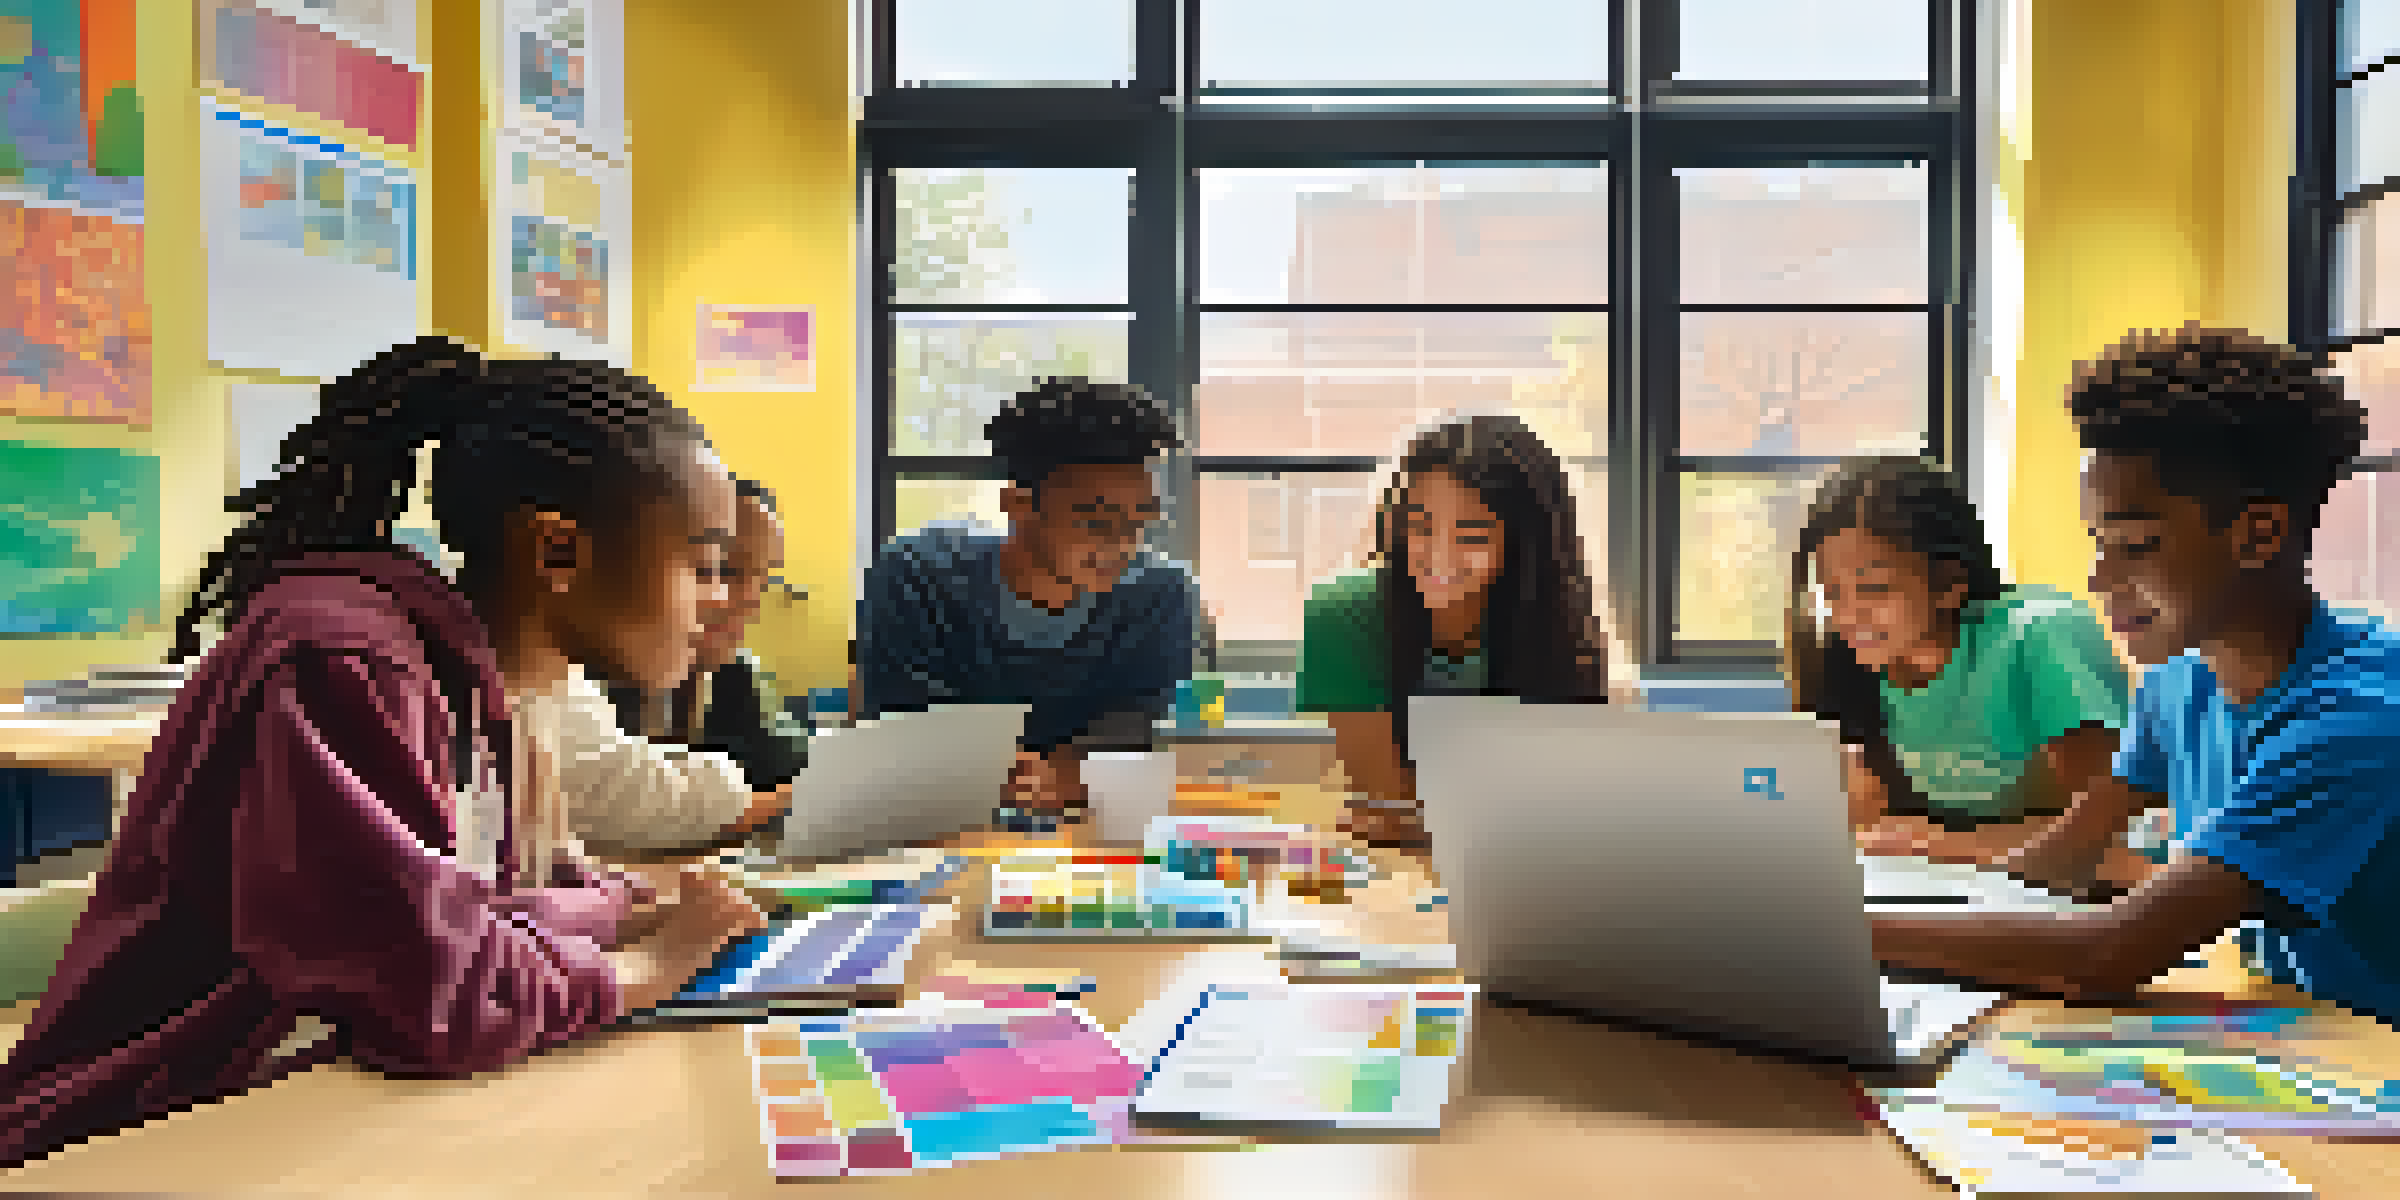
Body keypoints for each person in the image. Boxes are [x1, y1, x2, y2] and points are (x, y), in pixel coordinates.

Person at [0, 339, 768, 1168]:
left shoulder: (474, 677)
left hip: (296, 1113)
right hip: (133, 1140)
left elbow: (480, 912)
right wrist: (655, 962)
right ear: (555, 552)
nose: (721, 602)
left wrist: (627, 908)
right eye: (706, 565)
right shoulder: (343, 662)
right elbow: (435, 994)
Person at [1873, 324, 2400, 1021]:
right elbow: (2060, 859)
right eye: (2099, 543)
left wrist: (1837, 934)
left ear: (2260, 535)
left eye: (2135, 546)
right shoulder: (2182, 679)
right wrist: (1871, 899)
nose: (2100, 577)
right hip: (2300, 1031)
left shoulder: (2354, 719)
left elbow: (2109, 955)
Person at [852, 377, 1198, 820]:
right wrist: (1018, 774)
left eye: (1141, 521)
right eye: (1095, 522)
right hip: (935, 830)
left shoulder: (1159, 595)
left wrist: (1066, 775)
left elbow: (1143, 728)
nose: (1122, 544)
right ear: (1016, 505)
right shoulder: (919, 575)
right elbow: (898, 732)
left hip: (1087, 836)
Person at [1787, 457, 2135, 874]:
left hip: (2075, 905)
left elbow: (2113, 842)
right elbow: (1874, 830)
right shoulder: (1849, 666)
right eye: (1832, 593)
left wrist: (1939, 842)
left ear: (1950, 585)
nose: (1847, 615)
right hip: (1953, 891)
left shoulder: (2042, 635)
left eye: (1874, 589)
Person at [1295, 415, 1615, 848]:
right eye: (1421, 527)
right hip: (1399, 879)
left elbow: (1569, 809)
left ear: (1523, 544)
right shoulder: (1343, 615)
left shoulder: (1557, 627)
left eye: (1472, 535)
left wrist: (1428, 815)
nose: (1438, 558)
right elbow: (1384, 807)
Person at [571, 476, 803, 857]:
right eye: (720, 568)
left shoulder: (732, 674)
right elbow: (629, 806)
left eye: (765, 577)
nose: (750, 601)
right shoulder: (565, 683)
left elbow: (794, 770)